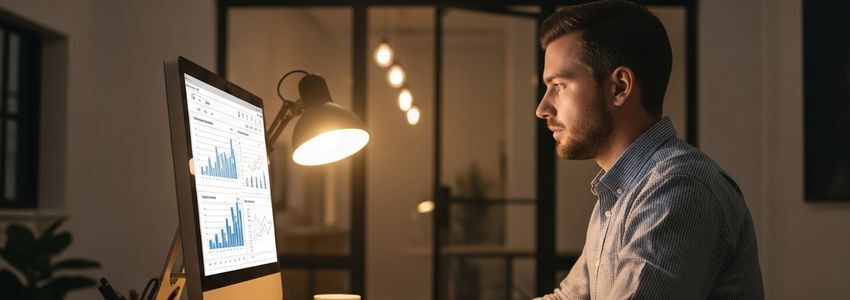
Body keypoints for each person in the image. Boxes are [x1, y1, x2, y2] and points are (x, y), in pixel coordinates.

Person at [533, 1, 764, 299]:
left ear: (619, 87)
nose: (542, 108)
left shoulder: (676, 188)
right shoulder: (619, 192)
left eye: (559, 86)